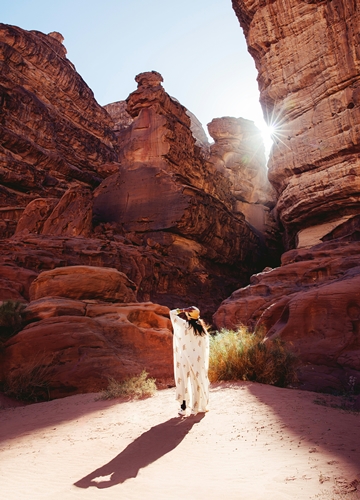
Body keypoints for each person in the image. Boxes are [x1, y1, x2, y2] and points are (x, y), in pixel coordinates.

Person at [169, 306, 210, 416]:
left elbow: (171, 313)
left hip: (184, 359)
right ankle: (195, 408)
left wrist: (182, 310)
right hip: (197, 361)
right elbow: (204, 348)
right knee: (196, 382)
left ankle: (183, 408)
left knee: (182, 381)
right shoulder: (202, 329)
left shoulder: (184, 325)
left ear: (188, 314)